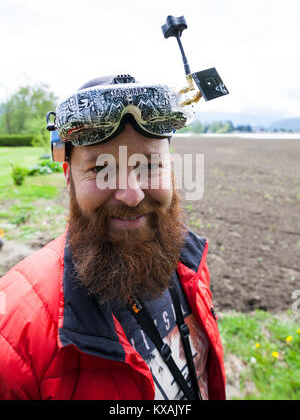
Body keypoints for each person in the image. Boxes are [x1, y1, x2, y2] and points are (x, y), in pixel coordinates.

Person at [0, 74, 226, 400]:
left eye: (150, 164)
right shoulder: (15, 337)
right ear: (69, 178)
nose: (131, 194)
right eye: (101, 169)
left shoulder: (190, 263)